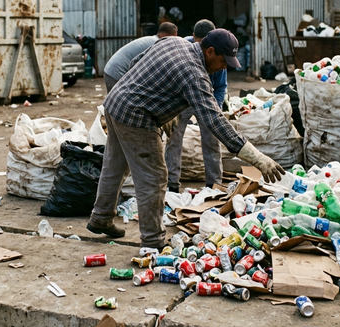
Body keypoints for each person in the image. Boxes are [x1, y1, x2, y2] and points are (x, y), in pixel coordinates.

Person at [86, 29, 284, 249]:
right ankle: (152, 242)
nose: (224, 67)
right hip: (135, 117)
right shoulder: (195, 74)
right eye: (223, 61)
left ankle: (101, 217)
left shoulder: (174, 42)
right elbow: (215, 120)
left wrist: (143, 94)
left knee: (115, 165)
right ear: (210, 52)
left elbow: (137, 61)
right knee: (155, 177)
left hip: (114, 104)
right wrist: (257, 158)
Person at [164, 19, 225, 192]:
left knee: (212, 141)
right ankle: (172, 184)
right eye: (199, 44)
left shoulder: (220, 52)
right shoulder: (182, 47)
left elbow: (220, 86)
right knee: (174, 139)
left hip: (206, 99)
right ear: (192, 38)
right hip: (181, 99)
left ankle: (214, 185)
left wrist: (216, 109)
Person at [102, 22, 177, 92]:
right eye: (173, 38)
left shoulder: (151, 40)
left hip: (111, 70)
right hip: (117, 73)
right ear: (166, 35)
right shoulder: (157, 45)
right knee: (125, 103)